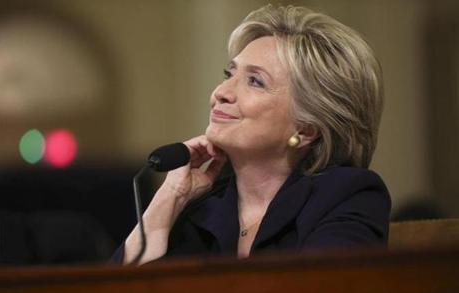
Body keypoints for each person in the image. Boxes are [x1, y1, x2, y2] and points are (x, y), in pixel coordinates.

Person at [115, 4, 391, 265]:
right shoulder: (201, 206)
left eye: (255, 81)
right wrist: (169, 199)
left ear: (306, 129)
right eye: (229, 74)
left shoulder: (346, 196)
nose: (220, 93)